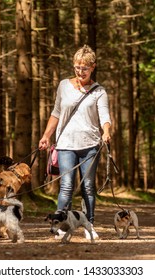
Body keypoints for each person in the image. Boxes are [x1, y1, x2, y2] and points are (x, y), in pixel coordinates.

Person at [38, 45, 112, 240]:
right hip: (65, 145)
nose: (80, 72)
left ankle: (90, 225)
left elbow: (105, 116)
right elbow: (56, 112)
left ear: (93, 67)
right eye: (77, 67)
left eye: (84, 68)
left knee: (88, 186)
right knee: (66, 186)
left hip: (90, 145)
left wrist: (106, 131)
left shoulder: (99, 91)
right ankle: (61, 225)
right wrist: (46, 135)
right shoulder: (63, 85)